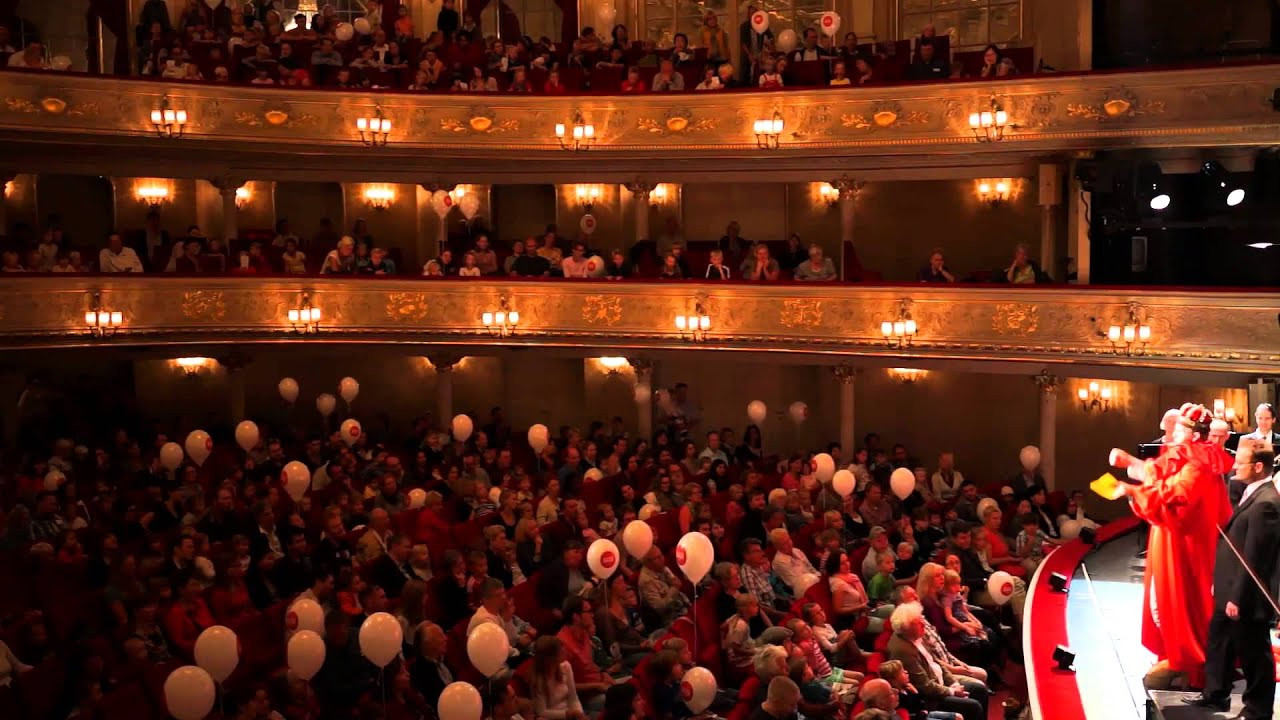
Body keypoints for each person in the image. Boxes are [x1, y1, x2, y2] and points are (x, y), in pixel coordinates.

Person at [1109, 403, 1234, 690]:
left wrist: (1131, 492)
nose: (1172, 432)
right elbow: (1158, 473)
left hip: (1184, 544)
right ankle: (1174, 656)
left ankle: (1188, 662)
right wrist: (1129, 462)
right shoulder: (1187, 455)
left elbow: (1175, 497)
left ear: (1192, 433)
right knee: (1163, 600)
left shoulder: (1200, 463)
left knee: (1178, 601)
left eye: (1179, 427)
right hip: (1169, 539)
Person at [1191, 439, 1280, 718]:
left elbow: (1255, 557)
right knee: (1219, 641)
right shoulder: (1248, 492)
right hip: (1229, 586)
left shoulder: (1267, 504)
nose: (1235, 466)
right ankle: (1215, 694)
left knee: (1254, 652)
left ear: (1258, 466)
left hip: (1245, 596)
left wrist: (1236, 597)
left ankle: (1258, 710)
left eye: (1241, 462)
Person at [885, 603, 985, 720]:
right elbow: (925, 686)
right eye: (918, 622)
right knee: (974, 706)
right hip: (933, 697)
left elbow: (936, 662)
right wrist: (952, 691)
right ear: (907, 628)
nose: (923, 624)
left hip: (941, 681)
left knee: (979, 689)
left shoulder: (916, 636)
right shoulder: (903, 651)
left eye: (921, 619)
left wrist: (954, 683)